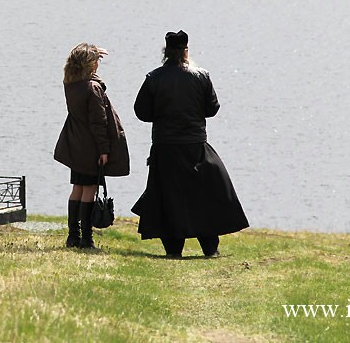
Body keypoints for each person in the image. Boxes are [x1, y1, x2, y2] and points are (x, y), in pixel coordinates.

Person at [132, 30, 248, 258]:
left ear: (165, 52)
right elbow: (212, 109)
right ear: (186, 51)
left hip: (165, 146)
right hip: (195, 145)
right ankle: (210, 248)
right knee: (205, 196)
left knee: (169, 197)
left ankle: (174, 250)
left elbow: (141, 112)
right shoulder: (202, 76)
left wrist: (162, 113)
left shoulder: (153, 78)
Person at [54, 43, 130, 249]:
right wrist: (104, 150)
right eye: (95, 60)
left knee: (77, 188)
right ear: (89, 64)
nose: (98, 64)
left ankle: (73, 236)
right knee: (90, 189)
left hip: (75, 144)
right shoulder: (93, 88)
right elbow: (99, 122)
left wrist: (93, 50)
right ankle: (86, 238)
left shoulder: (71, 83)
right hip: (90, 146)